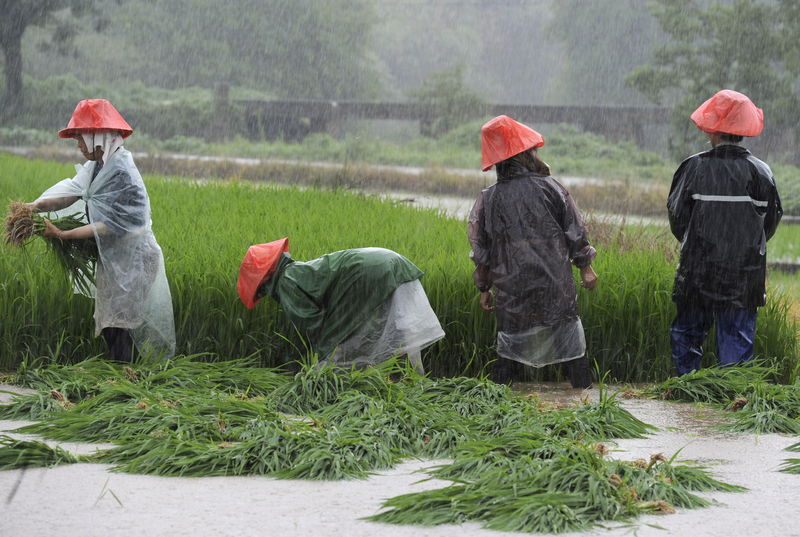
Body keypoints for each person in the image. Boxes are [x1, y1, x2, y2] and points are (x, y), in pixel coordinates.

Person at [25, 98, 175, 361]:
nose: (79, 145)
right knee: (110, 322)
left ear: (97, 136)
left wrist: (62, 235)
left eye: (81, 138)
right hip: (116, 257)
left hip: (135, 259)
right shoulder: (99, 166)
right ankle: (123, 377)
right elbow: (71, 192)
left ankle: (125, 380)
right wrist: (33, 207)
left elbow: (113, 225)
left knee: (121, 325)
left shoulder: (122, 171)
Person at [468, 115, 598, 388]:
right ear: (527, 155)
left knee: (508, 355)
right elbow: (574, 231)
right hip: (553, 285)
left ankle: (499, 406)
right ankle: (584, 401)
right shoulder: (551, 188)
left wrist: (484, 288)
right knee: (573, 351)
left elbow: (482, 248)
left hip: (512, 288)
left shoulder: (490, 198)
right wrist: (585, 268)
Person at [667, 89, 782, 376]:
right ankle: (732, 399)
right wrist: (741, 245)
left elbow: (677, 216)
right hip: (744, 271)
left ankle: (687, 390)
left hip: (698, 267)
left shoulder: (694, 167)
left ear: (712, 128)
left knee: (689, 332)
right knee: (737, 339)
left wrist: (700, 242)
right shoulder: (761, 172)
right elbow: (770, 222)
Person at [237, 238, 445, 374]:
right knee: (396, 329)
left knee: (340, 339)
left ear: (264, 279)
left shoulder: (286, 281)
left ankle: (348, 380)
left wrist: (316, 362)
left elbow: (312, 325)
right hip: (389, 259)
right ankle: (411, 378)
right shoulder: (297, 272)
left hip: (367, 271)